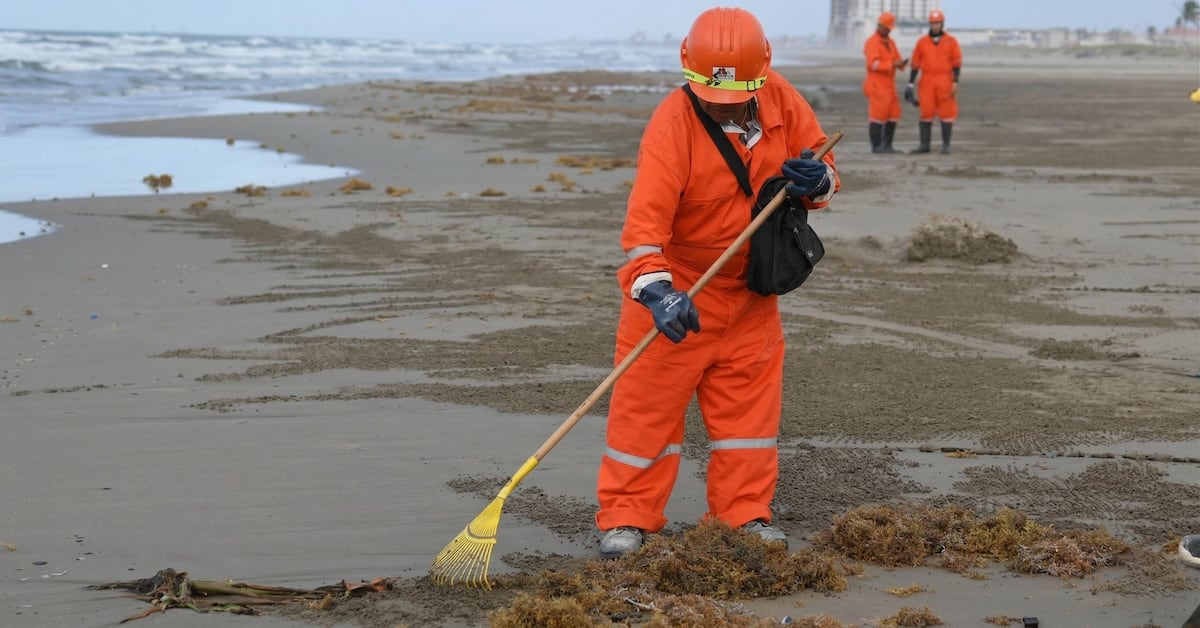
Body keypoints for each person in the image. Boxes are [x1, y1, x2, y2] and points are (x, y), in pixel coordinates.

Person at [595, 6, 839, 558]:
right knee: (645, 415)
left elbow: (825, 175)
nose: (720, 105)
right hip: (678, 291)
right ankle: (627, 519)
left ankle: (743, 516)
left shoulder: (781, 98)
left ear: (762, 72)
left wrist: (818, 180)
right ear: (689, 71)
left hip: (751, 293)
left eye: (735, 96)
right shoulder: (672, 125)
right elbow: (643, 234)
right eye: (711, 95)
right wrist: (656, 291)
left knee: (747, 421)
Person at [905, 9, 963, 154]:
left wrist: (955, 82)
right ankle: (924, 145)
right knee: (926, 112)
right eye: (933, 23)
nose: (935, 26)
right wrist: (910, 83)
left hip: (945, 80)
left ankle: (946, 145)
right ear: (930, 24)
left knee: (947, 112)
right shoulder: (922, 42)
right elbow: (915, 65)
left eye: (937, 23)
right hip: (927, 80)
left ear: (942, 23)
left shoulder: (951, 41)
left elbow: (956, 63)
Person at [862, 11, 907, 154]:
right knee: (877, 116)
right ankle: (876, 147)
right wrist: (892, 64)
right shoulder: (872, 42)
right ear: (880, 26)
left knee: (893, 115)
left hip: (889, 85)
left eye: (889, 28)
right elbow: (872, 64)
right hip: (876, 85)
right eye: (886, 27)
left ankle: (888, 146)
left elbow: (896, 59)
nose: (888, 30)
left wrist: (900, 64)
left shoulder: (891, 42)